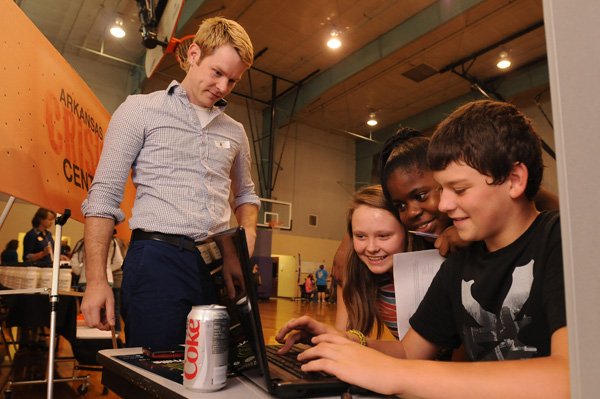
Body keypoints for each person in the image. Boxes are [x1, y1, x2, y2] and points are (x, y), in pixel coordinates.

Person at [276, 100, 568, 398]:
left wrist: (393, 374)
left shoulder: (561, 241)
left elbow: (568, 377)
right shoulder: (457, 265)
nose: (443, 205)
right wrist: (343, 343)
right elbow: (409, 351)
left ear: (514, 180)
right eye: (441, 190)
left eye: (460, 190)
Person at [80, 17, 260, 350]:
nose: (223, 87)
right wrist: (96, 281)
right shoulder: (140, 110)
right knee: (158, 372)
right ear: (193, 54)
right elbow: (103, 197)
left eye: (233, 81)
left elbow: (246, 194)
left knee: (219, 371)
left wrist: (245, 236)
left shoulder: (235, 131)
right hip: (157, 260)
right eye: (217, 72)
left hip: (218, 268)